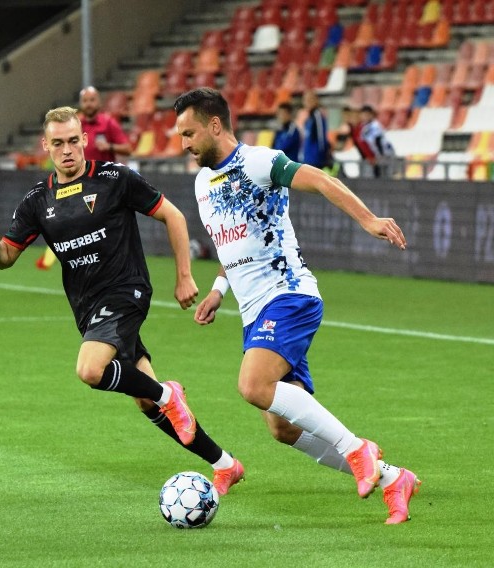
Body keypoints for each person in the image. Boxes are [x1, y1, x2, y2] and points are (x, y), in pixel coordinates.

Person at [173, 87, 420, 524]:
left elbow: (323, 180)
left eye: (189, 133)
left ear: (215, 125)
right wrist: (218, 289)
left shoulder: (260, 162)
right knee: (283, 428)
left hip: (288, 295)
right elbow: (234, 244)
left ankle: (357, 449)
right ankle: (392, 478)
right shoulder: (201, 182)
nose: (183, 144)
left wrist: (369, 220)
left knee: (252, 386)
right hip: (254, 313)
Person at [0, 106, 245, 494]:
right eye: (58, 143)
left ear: (85, 139)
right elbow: (6, 260)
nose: (67, 150)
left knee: (90, 370)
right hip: (87, 309)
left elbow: (174, 216)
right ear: (45, 146)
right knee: (144, 401)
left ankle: (170, 393)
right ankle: (224, 463)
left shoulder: (114, 179)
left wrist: (184, 276)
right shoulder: (37, 200)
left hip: (126, 291)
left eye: (73, 140)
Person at [36, 87, 133, 270]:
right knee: (69, 222)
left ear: (99, 102)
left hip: (105, 185)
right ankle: (58, 257)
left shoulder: (108, 123)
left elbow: (128, 148)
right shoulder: (74, 125)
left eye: (92, 100)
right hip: (77, 183)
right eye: (86, 100)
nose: (89, 104)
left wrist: (109, 146)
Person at [359, 104, 397, 179]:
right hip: (375, 156)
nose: (365, 117)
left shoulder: (374, 125)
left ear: (371, 115)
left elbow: (378, 140)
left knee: (386, 176)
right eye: (363, 115)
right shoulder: (364, 127)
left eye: (367, 115)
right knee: (376, 174)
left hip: (384, 154)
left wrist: (380, 156)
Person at [300, 90, 333, 172]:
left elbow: (321, 138)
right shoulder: (308, 119)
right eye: (305, 100)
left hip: (316, 161)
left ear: (316, 100)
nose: (307, 102)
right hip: (307, 160)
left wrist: (321, 157)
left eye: (310, 99)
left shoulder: (317, 116)